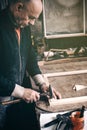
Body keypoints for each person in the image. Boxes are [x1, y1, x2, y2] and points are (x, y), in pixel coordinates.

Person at [0, 0, 61, 130]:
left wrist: (42, 83)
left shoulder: (23, 26)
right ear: (19, 7)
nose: (32, 23)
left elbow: (29, 55)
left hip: (13, 97)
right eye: (31, 17)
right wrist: (21, 92)